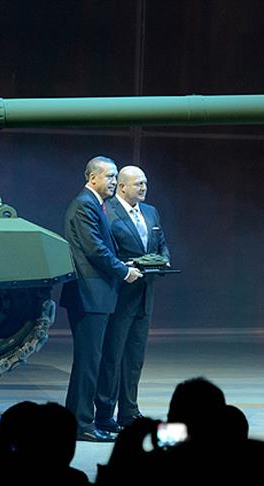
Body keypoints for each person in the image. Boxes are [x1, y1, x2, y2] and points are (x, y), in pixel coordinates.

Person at [60, 156, 143, 442]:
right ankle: (81, 424)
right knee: (88, 362)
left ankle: (84, 420)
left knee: (91, 361)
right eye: (109, 176)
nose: (113, 182)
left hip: (96, 295)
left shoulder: (94, 204)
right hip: (89, 295)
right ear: (93, 177)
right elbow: (95, 249)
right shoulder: (85, 204)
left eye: (115, 177)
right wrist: (124, 271)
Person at [94, 165, 171, 433]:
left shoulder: (150, 211)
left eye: (145, 183)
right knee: (112, 356)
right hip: (120, 295)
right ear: (122, 186)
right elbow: (104, 252)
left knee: (135, 357)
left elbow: (160, 243)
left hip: (144, 294)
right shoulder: (107, 211)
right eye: (138, 183)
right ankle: (105, 413)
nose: (144, 187)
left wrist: (163, 259)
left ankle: (129, 411)